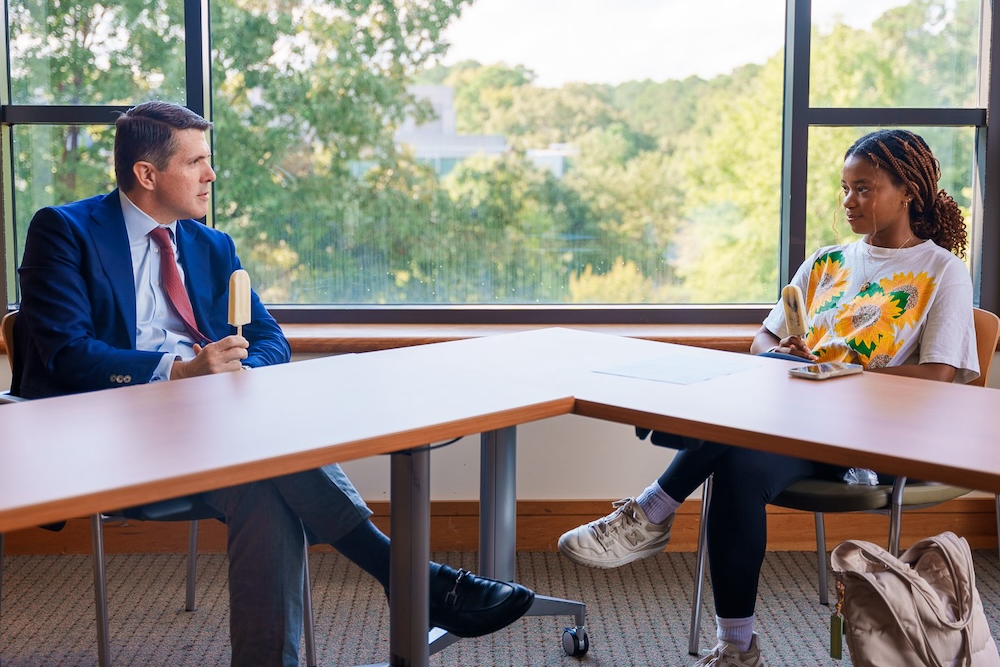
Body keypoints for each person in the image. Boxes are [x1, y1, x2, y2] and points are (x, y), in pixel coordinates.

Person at [14, 101, 534, 667]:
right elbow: (66, 355)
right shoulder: (63, 231)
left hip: (217, 430)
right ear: (146, 174)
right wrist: (180, 373)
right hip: (112, 434)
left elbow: (269, 338)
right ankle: (409, 577)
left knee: (264, 491)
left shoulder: (211, 246)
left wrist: (240, 374)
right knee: (270, 446)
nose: (211, 175)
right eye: (197, 163)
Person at [557, 129, 979, 667]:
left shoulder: (941, 271)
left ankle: (652, 508)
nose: (849, 201)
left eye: (864, 189)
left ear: (908, 191)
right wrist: (789, 352)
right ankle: (737, 648)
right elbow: (764, 341)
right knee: (738, 462)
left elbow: (941, 377)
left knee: (743, 417)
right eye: (845, 188)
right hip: (792, 422)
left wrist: (844, 375)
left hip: (870, 439)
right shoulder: (829, 262)